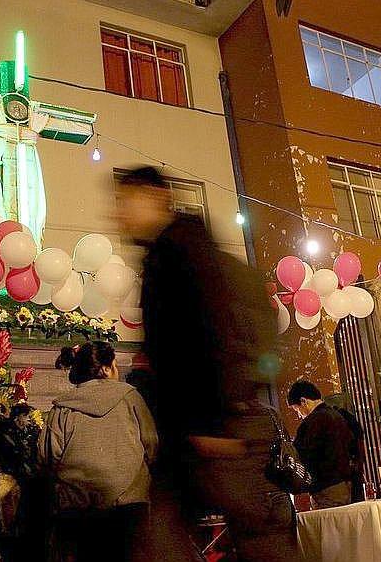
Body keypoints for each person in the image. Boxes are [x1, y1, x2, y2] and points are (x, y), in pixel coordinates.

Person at [114, 166, 299, 562]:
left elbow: (212, 333)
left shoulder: (182, 255)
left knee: (255, 537)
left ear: (155, 197)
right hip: (195, 429)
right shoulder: (174, 252)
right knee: (165, 536)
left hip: (216, 427)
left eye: (125, 201)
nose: (119, 213)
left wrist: (212, 421)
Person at [39, 342, 158, 562]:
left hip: (77, 509)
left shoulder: (62, 408)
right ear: (105, 368)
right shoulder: (131, 397)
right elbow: (151, 444)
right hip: (128, 504)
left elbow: (48, 455)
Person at [288, 380, 358, 509]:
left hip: (326, 489)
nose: (299, 415)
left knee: (329, 521)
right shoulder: (339, 416)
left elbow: (300, 456)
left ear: (303, 401)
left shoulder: (311, 423)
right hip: (347, 485)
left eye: (296, 409)